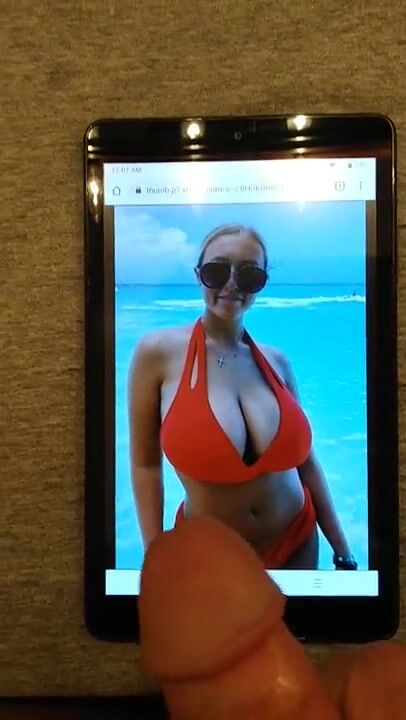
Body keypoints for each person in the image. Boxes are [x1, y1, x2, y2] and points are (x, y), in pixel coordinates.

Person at [128, 224, 356, 570]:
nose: (232, 284)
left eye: (249, 275)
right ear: (198, 275)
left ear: (262, 283)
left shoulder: (278, 362)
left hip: (297, 538)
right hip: (210, 554)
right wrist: (156, 557)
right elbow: (145, 465)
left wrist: (342, 550)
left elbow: (306, 463)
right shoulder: (156, 353)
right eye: (217, 271)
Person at [139, 515, 406, 719]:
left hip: (298, 532)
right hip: (208, 546)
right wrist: (154, 563)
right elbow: (146, 468)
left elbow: (308, 469)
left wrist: (343, 553)